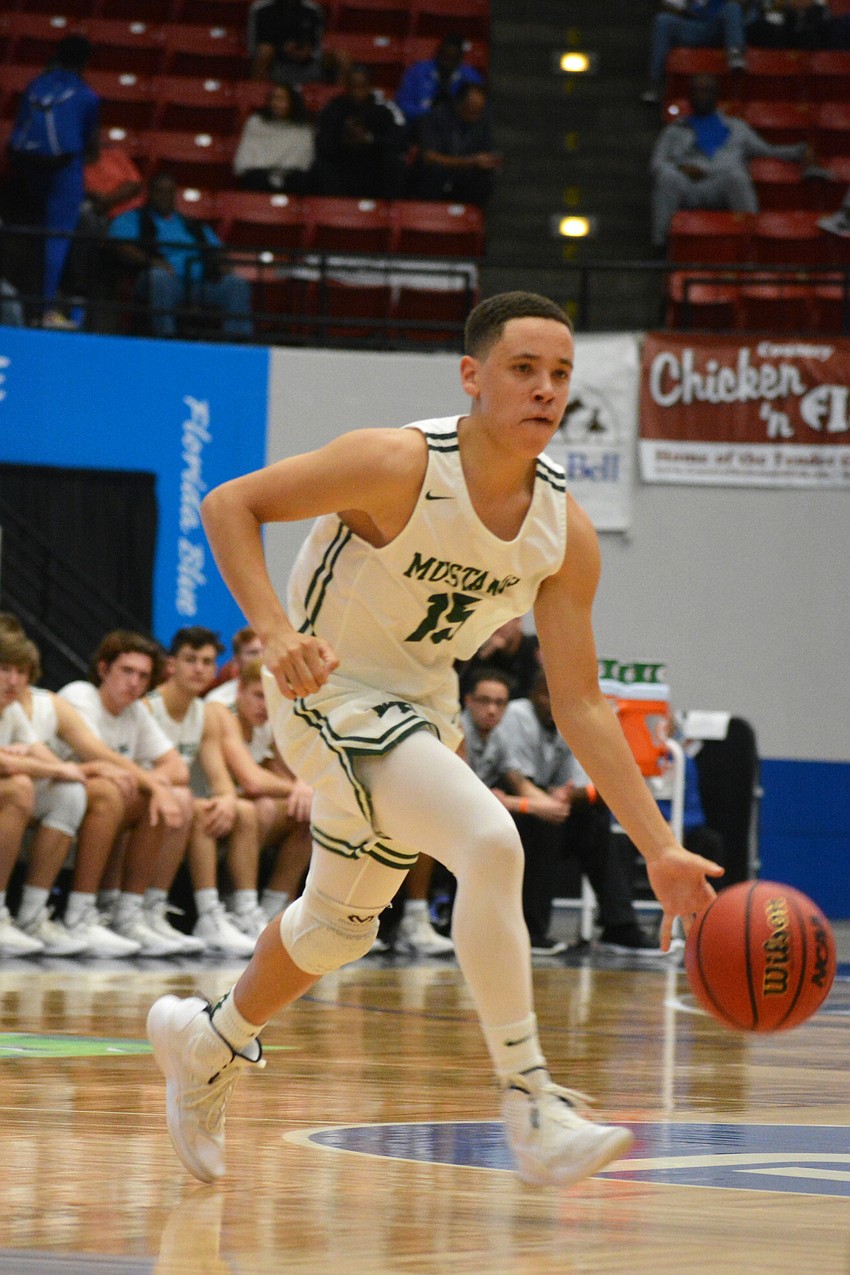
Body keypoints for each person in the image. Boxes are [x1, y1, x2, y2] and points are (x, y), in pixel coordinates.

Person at [146, 289, 722, 1190]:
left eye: (560, 374)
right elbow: (229, 504)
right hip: (323, 689)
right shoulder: (398, 461)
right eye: (523, 368)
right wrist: (274, 629)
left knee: (338, 927)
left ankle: (205, 1039)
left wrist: (660, 847)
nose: (545, 388)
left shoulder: (563, 529)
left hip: (417, 708)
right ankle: (531, 1102)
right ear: (473, 375)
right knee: (490, 841)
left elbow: (580, 702)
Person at [464, 667, 664, 955]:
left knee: (592, 822)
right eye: (547, 695)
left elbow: (579, 784)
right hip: (506, 808)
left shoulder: (567, 721)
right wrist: (543, 804)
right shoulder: (515, 717)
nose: (553, 703)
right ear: (532, 696)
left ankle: (620, 925)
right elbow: (517, 782)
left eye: (559, 697)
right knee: (543, 822)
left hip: (530, 800)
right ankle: (531, 929)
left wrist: (567, 796)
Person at [57, 630, 194, 956]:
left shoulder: (136, 713)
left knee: (172, 798)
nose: (134, 682)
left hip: (93, 797)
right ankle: (79, 914)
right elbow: (97, 755)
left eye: (143, 676)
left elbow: (178, 767)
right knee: (111, 791)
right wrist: (155, 785)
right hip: (56, 789)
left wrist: (156, 787)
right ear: (104, 669)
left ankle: (129, 913)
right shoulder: (80, 695)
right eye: (127, 671)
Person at [650, 71, 816, 250]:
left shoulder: (737, 127)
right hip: (687, 184)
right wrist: (681, 169)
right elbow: (656, 164)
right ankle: (662, 246)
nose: (701, 95)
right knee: (666, 177)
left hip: (722, 183)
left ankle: (752, 243)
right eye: (697, 91)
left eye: (706, 91)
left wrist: (801, 150)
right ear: (690, 96)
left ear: (715, 95)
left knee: (737, 176)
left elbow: (769, 150)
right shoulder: (675, 130)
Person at [207, 659, 312, 932]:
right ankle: (242, 909)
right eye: (258, 696)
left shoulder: (269, 717)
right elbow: (252, 781)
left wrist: (304, 784)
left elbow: (287, 767)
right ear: (239, 689)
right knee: (260, 808)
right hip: (208, 803)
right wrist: (298, 788)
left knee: (309, 812)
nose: (264, 705)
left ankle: (274, 911)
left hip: (231, 807)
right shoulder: (219, 710)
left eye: (272, 698)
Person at [0, 635, 88, 956]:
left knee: (70, 793)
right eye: (5, 669)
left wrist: (72, 771)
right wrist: (32, 764)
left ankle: (32, 914)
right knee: (19, 787)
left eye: (21, 672)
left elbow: (52, 762)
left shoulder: (10, 711)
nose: (14, 680)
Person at [8, 34, 100, 329]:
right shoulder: (87, 96)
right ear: (86, 62)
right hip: (63, 172)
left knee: (27, 236)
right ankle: (44, 311)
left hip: (26, 171)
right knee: (57, 239)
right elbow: (90, 147)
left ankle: (26, 306)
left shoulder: (35, 86)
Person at [108, 172, 253, 340]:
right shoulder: (133, 219)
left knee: (236, 283)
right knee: (158, 277)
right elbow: (120, 246)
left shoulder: (192, 224)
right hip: (161, 280)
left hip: (200, 282)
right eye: (160, 191)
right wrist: (152, 261)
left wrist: (222, 264)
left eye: (169, 192)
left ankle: (238, 342)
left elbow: (217, 251)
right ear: (150, 193)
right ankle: (166, 337)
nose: (164, 197)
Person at [311, 64, 407, 200]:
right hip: (342, 164)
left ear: (369, 86)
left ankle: (389, 213)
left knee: (394, 164)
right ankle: (336, 209)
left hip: (373, 166)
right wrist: (344, 139)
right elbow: (322, 143)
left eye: (361, 86)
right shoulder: (333, 108)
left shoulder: (384, 109)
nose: (357, 91)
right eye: (353, 86)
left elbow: (399, 142)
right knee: (320, 166)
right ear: (347, 86)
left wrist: (369, 138)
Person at [641, 0, 750, 104]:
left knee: (733, 8)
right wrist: (686, 11)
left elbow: (744, 8)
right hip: (693, 26)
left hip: (720, 29)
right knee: (663, 20)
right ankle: (656, 83)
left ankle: (735, 53)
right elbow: (669, 6)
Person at [415, 83, 502, 208]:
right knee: (435, 171)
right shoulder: (435, 118)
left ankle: (471, 220)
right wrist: (470, 161)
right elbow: (429, 157)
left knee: (483, 180)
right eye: (472, 109)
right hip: (433, 180)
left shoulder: (482, 124)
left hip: (462, 180)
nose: (476, 115)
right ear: (459, 104)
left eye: (479, 110)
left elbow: (484, 154)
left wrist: (489, 162)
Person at [395, 34, 484, 138]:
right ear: (438, 53)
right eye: (445, 57)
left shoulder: (471, 78)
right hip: (420, 128)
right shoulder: (417, 72)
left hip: (458, 132)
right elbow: (403, 105)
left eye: (452, 59)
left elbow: (478, 110)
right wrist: (432, 115)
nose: (447, 63)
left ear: (460, 58)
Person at [233, 82, 315, 194]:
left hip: (291, 180)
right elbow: (246, 156)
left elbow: (303, 162)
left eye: (283, 99)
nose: (277, 104)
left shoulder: (303, 129)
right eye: (275, 98)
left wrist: (281, 174)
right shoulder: (256, 123)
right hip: (259, 178)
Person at [458, 614, 542, 701]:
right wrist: (483, 656)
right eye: (491, 623)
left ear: (517, 621)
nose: (497, 627)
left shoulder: (534, 647)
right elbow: (465, 692)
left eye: (502, 620)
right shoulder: (486, 653)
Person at [248, 0, 326, 86]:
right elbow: (253, 48)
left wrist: (306, 52)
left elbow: (317, 47)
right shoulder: (260, 9)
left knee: (341, 58)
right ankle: (260, 92)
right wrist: (281, 50)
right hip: (274, 62)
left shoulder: (314, 10)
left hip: (305, 61)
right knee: (264, 52)